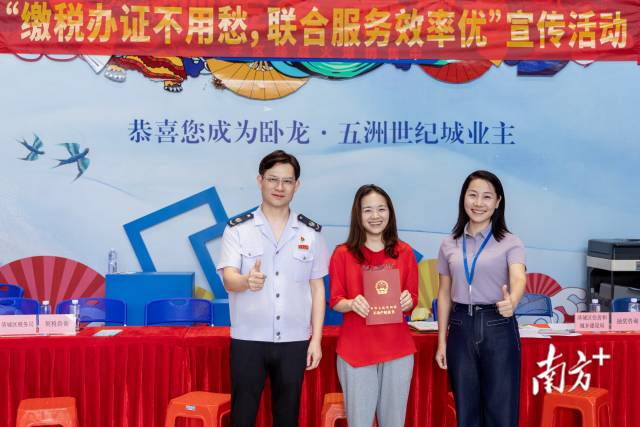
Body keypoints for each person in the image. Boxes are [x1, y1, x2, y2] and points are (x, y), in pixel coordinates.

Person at [217, 150, 329, 427]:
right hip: (248, 339)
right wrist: (246, 281)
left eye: (287, 181)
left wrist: (315, 340)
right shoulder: (238, 229)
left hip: (294, 339)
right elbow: (228, 278)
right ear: (260, 181)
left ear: (297, 185)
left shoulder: (310, 233)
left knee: (287, 417)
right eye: (273, 179)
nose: (280, 187)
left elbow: (317, 289)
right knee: (242, 417)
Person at [435, 170, 526, 427]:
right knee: (466, 411)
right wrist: (441, 341)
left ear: (498, 202)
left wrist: (513, 301)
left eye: (487, 197)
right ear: (463, 198)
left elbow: (518, 277)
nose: (478, 203)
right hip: (460, 326)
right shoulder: (449, 244)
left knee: (501, 410)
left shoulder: (510, 242)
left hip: (497, 324)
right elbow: (444, 294)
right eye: (472, 195)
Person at [329, 184, 418, 427]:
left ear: (390, 212)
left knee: (394, 421)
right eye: (367, 210)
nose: (375, 216)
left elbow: (412, 299)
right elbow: (335, 301)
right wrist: (351, 303)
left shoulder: (404, 252)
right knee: (359, 422)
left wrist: (408, 301)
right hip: (356, 350)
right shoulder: (342, 254)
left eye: (381, 209)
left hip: (397, 350)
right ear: (358, 214)